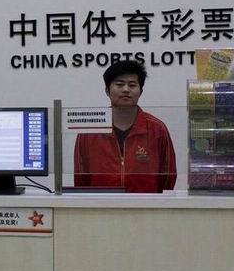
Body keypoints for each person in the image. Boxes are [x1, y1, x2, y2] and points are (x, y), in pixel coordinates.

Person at [74, 60, 177, 193]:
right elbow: (81, 178)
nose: (126, 90)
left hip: (146, 204)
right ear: (107, 90)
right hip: (100, 204)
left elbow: (168, 177)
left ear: (141, 91)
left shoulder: (157, 128)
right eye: (119, 84)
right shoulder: (89, 130)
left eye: (132, 85)